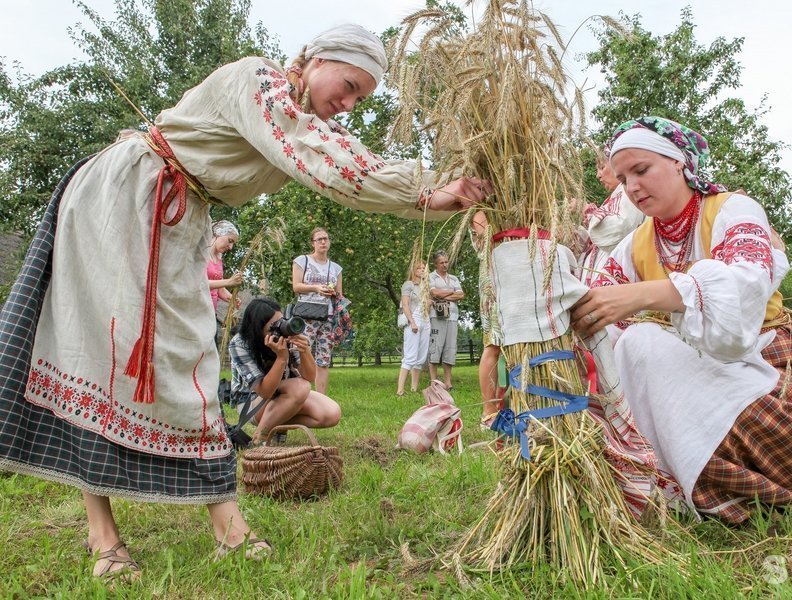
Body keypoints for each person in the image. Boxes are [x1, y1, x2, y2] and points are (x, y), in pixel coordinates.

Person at [0, 23, 491, 579]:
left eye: (362, 97)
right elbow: (319, 154)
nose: (349, 103)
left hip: (180, 212)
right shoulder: (258, 81)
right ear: (315, 59)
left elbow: (330, 153)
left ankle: (223, 527)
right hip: (126, 197)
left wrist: (434, 194)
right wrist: (427, 189)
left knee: (188, 357)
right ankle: (107, 534)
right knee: (109, 355)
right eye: (349, 84)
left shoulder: (296, 118)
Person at [572, 116, 792, 524]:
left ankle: (744, 472)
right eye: (624, 178)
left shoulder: (733, 209)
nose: (632, 187)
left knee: (642, 340)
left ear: (679, 161)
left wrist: (646, 294)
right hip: (704, 371)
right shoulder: (636, 243)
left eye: (641, 170)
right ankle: (679, 476)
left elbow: (745, 285)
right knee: (629, 346)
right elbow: (600, 308)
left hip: (776, 383)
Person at [229, 298, 340, 445]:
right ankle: (260, 438)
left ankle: (276, 424)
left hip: (285, 393)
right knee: (300, 387)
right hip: (251, 401)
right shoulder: (240, 342)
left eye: (281, 321)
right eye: (273, 326)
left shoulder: (286, 335)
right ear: (257, 328)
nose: (280, 328)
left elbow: (309, 376)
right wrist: (281, 358)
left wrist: (305, 350)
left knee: (331, 413)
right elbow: (265, 392)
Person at [578, 148, 646, 287]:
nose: (598, 175)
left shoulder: (629, 193)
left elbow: (618, 231)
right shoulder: (615, 197)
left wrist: (589, 213)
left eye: (602, 167)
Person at [292, 227, 342, 394]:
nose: (323, 242)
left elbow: (340, 295)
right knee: (299, 354)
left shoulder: (336, 268)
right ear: (312, 242)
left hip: (327, 317)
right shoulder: (302, 260)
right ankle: (298, 394)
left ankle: (321, 398)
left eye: (326, 239)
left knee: (324, 359)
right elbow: (296, 286)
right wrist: (316, 288)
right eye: (319, 239)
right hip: (306, 315)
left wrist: (333, 293)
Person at [470, 211, 503, 428]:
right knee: (493, 343)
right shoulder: (482, 212)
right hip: (496, 277)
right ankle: (489, 412)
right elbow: (487, 238)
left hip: (515, 273)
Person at [428, 251, 464, 390]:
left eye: (446, 262)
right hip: (437, 316)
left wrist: (444, 294)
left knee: (450, 348)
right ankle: (434, 382)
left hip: (453, 316)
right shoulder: (431, 277)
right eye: (441, 262)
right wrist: (451, 292)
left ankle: (448, 382)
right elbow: (434, 293)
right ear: (436, 264)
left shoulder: (454, 278)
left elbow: (461, 295)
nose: (444, 265)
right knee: (435, 347)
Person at [396, 259, 429, 396]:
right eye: (419, 268)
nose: (422, 270)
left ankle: (414, 388)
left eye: (424, 268)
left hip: (425, 320)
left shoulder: (426, 287)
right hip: (414, 319)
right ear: (413, 271)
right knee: (410, 355)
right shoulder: (408, 285)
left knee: (420, 357)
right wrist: (412, 322)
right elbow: (405, 305)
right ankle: (400, 390)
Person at [207, 220, 243, 345]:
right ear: (218, 234)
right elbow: (200, 284)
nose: (230, 247)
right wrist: (229, 281)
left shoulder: (219, 258)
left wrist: (231, 297)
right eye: (230, 240)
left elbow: (219, 288)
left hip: (211, 312)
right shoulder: (201, 255)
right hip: (198, 310)